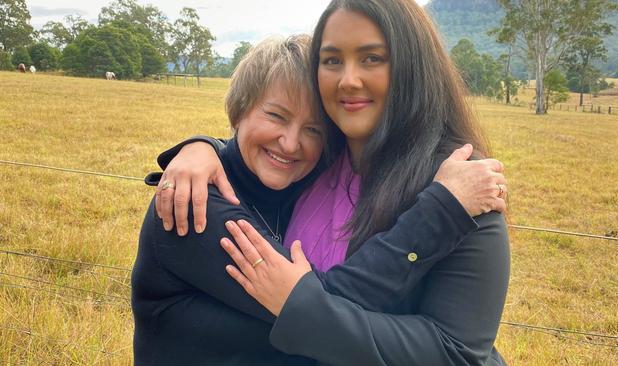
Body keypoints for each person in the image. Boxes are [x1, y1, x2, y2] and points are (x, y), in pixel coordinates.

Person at [133, 33, 507, 365]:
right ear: (239, 108)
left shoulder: (301, 185)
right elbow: (321, 302)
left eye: (313, 129)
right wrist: (442, 209)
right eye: (276, 116)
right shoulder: (194, 206)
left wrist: (203, 145)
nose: (291, 143)